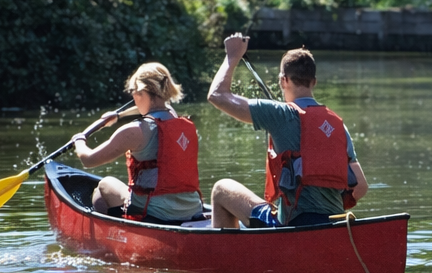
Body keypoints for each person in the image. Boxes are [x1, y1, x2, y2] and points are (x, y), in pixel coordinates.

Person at [204, 34, 368, 228]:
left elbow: (217, 96)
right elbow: (361, 187)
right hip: (332, 222)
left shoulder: (280, 113)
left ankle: (228, 256)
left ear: (283, 81)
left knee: (221, 189)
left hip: (292, 225)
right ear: (313, 82)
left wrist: (232, 56)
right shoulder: (337, 125)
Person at [70, 63, 204, 225]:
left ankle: (108, 236)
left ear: (141, 92)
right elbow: (160, 107)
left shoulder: (134, 131)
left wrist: (79, 141)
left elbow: (89, 160)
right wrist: (119, 115)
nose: (132, 96)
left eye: (133, 92)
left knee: (105, 184)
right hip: (192, 209)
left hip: (154, 211)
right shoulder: (177, 119)